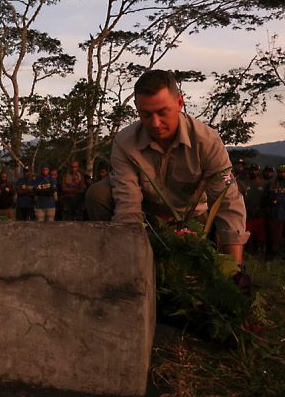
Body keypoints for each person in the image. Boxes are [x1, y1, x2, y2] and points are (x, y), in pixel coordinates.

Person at [85, 69, 248, 266]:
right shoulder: (124, 142)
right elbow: (127, 204)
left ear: (179, 103)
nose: (155, 123)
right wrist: (132, 257)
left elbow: (227, 200)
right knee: (98, 193)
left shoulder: (208, 141)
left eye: (163, 113)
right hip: (149, 218)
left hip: (195, 218)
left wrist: (234, 268)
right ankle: (116, 261)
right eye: (145, 114)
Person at [239, 164, 267, 255]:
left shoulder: (264, 183)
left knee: (260, 235)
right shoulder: (243, 182)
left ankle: (260, 253)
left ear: (259, 171)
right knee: (247, 235)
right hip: (247, 213)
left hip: (260, 213)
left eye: (256, 170)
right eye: (252, 170)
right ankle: (246, 253)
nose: (253, 172)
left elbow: (267, 198)